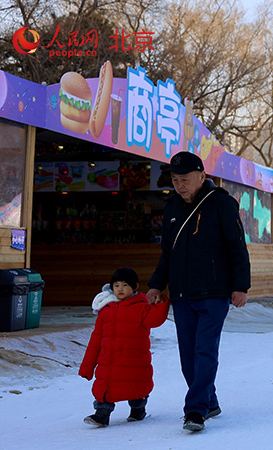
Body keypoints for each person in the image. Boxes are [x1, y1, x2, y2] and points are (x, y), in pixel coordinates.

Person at [146, 151, 250, 432]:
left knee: (205, 350)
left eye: (185, 179)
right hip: (182, 294)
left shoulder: (222, 204)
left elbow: (237, 248)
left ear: (202, 176)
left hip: (215, 293)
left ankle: (195, 410)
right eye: (175, 179)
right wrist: (156, 283)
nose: (180, 184)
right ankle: (210, 400)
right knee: (187, 356)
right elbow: (167, 253)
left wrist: (241, 286)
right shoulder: (171, 209)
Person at [79, 267, 169, 427]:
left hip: (134, 360)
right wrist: (87, 366)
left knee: (136, 386)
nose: (120, 289)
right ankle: (102, 414)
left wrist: (161, 305)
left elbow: (154, 320)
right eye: (117, 285)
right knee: (104, 389)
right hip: (108, 361)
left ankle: (138, 409)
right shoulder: (105, 310)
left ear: (134, 287)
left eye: (125, 285)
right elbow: (95, 340)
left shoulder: (142, 307)